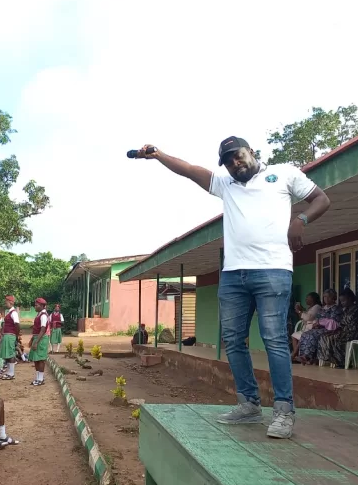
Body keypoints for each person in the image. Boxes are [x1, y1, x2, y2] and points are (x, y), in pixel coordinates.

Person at [136, 137, 331, 437]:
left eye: (237, 157)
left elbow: (322, 199)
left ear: (251, 152)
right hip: (233, 275)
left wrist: (300, 219)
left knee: (275, 340)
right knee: (232, 340)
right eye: (227, 162)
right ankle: (249, 404)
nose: (234, 164)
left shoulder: (283, 174)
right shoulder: (227, 185)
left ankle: (283, 411)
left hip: (272, 271)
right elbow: (189, 170)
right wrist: (159, 155)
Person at [318, 289, 358, 368]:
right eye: (341, 301)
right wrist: (335, 331)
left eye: (344, 301)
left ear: (350, 299)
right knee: (325, 336)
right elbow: (342, 324)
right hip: (346, 332)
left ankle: (343, 362)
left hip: (356, 332)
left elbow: (351, 325)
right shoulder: (345, 310)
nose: (342, 303)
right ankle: (330, 359)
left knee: (337, 338)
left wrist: (340, 331)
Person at [294, 289, 341, 364]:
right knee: (305, 334)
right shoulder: (323, 308)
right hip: (319, 328)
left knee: (312, 335)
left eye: (328, 297)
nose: (325, 299)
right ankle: (303, 356)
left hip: (330, 330)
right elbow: (317, 318)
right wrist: (315, 324)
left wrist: (320, 323)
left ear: (333, 298)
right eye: (324, 297)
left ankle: (308, 357)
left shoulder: (336, 308)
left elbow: (334, 322)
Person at [290, 292, 321, 362]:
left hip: (312, 328)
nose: (306, 300)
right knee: (294, 336)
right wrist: (301, 310)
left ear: (312, 299)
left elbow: (308, 317)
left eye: (307, 298)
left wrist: (299, 311)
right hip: (306, 328)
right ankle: (297, 356)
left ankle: (294, 355)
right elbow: (303, 319)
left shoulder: (317, 307)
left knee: (302, 336)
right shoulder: (310, 308)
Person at [28, 298, 50, 386]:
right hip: (37, 337)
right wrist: (32, 339)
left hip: (41, 339)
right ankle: (38, 378)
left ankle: (40, 379)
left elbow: (43, 329)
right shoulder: (39, 314)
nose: (35, 307)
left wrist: (36, 342)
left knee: (40, 359)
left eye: (36, 305)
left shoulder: (43, 315)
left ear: (41, 306)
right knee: (36, 359)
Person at [0, 296, 20, 380]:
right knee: (8, 354)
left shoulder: (13, 313)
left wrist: (16, 335)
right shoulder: (9, 312)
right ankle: (9, 372)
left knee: (10, 354)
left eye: (6, 302)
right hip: (7, 335)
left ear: (11, 302)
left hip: (10, 335)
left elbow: (17, 325)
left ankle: (11, 373)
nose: (5, 303)